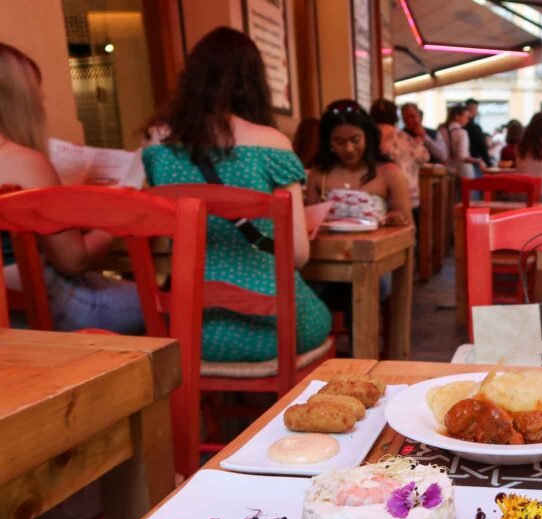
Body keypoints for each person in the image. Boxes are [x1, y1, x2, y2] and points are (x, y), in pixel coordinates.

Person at [144, 27, 329, 363]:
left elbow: (157, 239)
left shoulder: (157, 146)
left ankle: (211, 410)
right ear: (253, 83)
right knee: (322, 315)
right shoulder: (272, 144)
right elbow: (298, 255)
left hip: (190, 330)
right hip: (272, 327)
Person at [0, 42, 144, 335]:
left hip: (11, 313)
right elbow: (73, 261)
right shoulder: (25, 162)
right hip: (45, 306)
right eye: (37, 94)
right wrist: (114, 218)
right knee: (165, 302)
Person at [307, 99, 412, 228]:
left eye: (355, 140)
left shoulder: (390, 173)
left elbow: (409, 230)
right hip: (330, 247)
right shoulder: (319, 174)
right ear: (329, 142)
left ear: (367, 137)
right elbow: (309, 228)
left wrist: (397, 220)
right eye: (339, 142)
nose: (349, 148)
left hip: (378, 247)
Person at [371, 98, 428, 224]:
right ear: (395, 116)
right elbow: (423, 157)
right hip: (409, 195)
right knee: (407, 232)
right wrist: (420, 140)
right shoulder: (405, 137)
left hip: (379, 197)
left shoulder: (368, 137)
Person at [439, 104, 482, 180]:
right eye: (465, 117)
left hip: (446, 170)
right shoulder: (462, 133)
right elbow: (462, 156)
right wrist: (478, 161)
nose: (467, 120)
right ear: (457, 116)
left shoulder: (441, 131)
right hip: (463, 170)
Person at [464, 98, 491, 169]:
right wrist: (488, 163)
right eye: (475, 109)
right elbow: (482, 146)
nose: (477, 112)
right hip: (473, 162)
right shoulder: (474, 128)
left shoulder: (458, 127)